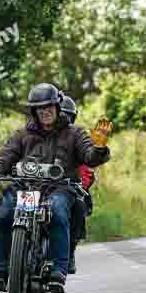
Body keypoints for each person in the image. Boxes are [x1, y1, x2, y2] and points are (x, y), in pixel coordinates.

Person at [0, 83, 113, 292]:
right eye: (40, 108)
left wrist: (99, 148)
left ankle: (57, 271)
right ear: (34, 111)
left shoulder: (75, 133)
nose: (45, 111)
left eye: (49, 106)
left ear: (58, 107)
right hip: (25, 187)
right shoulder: (22, 134)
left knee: (58, 211)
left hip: (59, 188)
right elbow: (3, 157)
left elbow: (90, 157)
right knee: (5, 211)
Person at [59, 94, 97, 267]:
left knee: (79, 205)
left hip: (66, 188)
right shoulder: (35, 133)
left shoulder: (76, 136)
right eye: (60, 114)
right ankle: (5, 262)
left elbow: (87, 164)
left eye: (67, 116)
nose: (62, 120)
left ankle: (70, 251)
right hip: (35, 185)